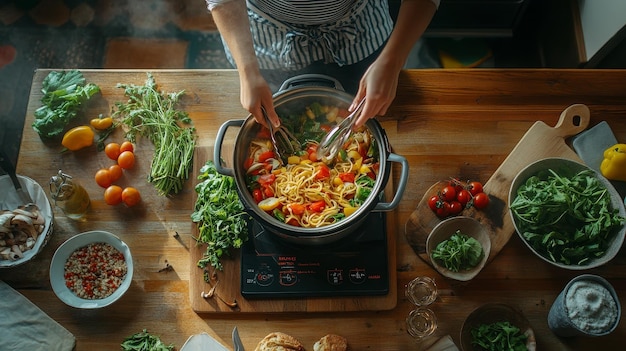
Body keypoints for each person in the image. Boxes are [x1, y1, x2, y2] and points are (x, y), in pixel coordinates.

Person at [205, 0, 439, 129]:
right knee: (277, 121)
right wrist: (248, 73)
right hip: (265, 38)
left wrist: (391, 62)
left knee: (371, 118)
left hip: (359, 30)